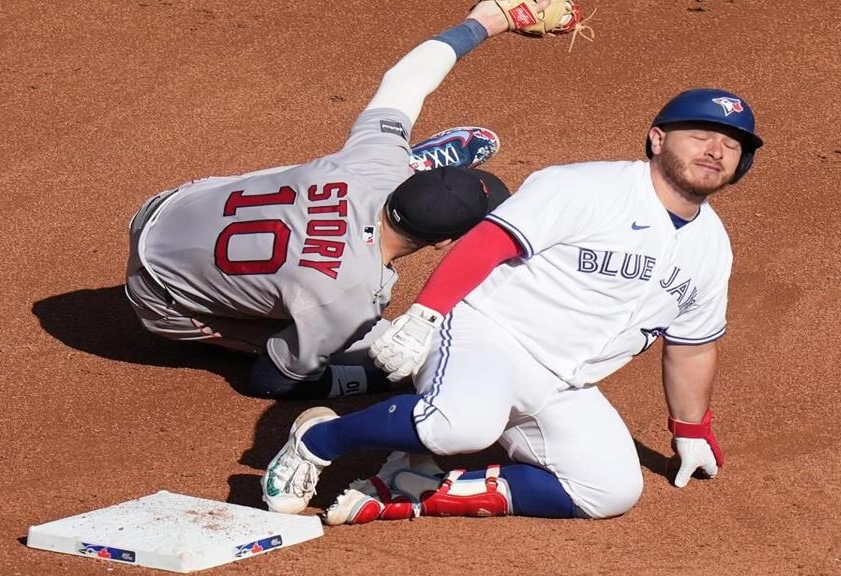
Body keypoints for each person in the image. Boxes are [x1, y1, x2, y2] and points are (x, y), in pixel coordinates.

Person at [259, 88, 764, 520]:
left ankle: (419, 489)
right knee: (462, 424)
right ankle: (319, 441)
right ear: (657, 139)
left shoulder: (712, 248)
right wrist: (423, 316)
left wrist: (691, 429)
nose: (716, 150)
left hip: (566, 380)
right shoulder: (589, 187)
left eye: (731, 144)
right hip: (487, 334)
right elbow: (489, 243)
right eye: (701, 134)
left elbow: (692, 346)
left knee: (610, 490)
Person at [122, 2, 573, 399]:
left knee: (338, 171)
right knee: (389, 349)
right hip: (160, 299)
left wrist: (486, 20)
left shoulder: (372, 166)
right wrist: (384, 379)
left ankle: (410, 163)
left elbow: (404, 81)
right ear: (442, 243)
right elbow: (271, 380)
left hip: (164, 207)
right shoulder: (347, 301)